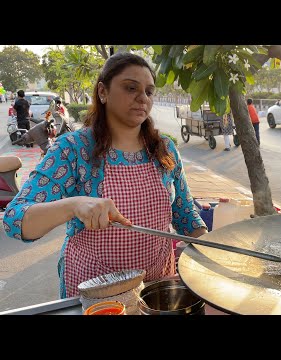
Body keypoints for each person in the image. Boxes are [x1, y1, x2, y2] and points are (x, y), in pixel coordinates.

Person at [2, 52, 208, 299]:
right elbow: (15, 220)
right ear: (103, 92)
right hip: (95, 292)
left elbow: (185, 213)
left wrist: (213, 250)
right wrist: (74, 205)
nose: (142, 98)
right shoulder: (73, 149)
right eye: (131, 88)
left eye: (149, 92)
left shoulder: (164, 148)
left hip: (154, 288)